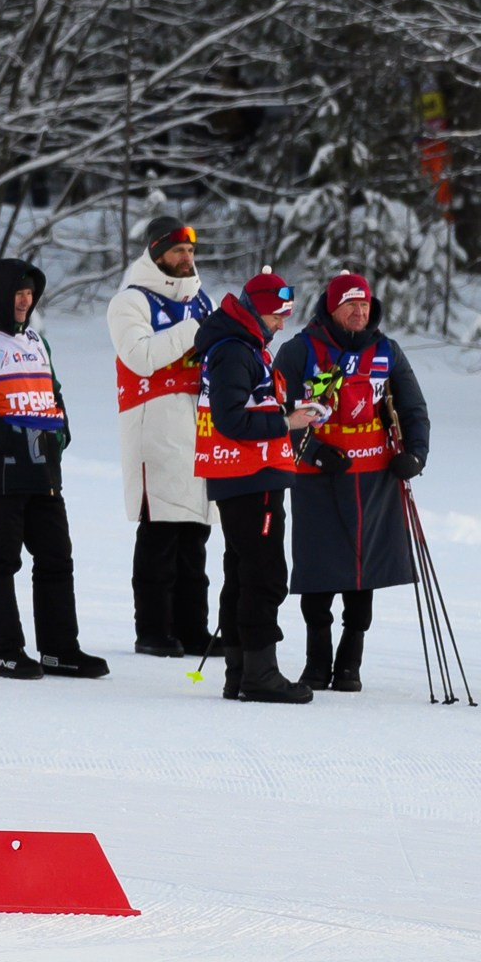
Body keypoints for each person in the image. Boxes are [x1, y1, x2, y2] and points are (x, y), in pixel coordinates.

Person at [0, 258, 109, 681]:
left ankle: (59, 649)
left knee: (56, 557)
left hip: (42, 470)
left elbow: (54, 393)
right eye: (18, 293)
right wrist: (10, 440)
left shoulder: (37, 342)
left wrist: (61, 434)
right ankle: (5, 650)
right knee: (1, 559)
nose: (25, 301)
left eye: (30, 294)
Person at [274, 270, 430, 691]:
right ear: (332, 307)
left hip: (374, 478)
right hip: (317, 475)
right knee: (319, 569)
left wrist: (415, 454)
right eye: (350, 305)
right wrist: (312, 451)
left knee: (365, 570)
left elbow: (414, 407)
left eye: (364, 304)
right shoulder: (300, 350)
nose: (359, 311)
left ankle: (350, 663)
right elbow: (274, 409)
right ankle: (315, 662)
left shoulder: (386, 350)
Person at [193, 269, 322, 704]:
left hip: (247, 475)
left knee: (243, 572)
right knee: (263, 575)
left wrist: (292, 409)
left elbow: (249, 404)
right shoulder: (234, 351)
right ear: (257, 312)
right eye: (278, 316)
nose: (282, 324)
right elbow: (232, 420)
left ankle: (239, 672)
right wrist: (287, 422)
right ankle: (259, 674)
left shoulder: (243, 347)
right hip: (249, 476)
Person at [108, 214, 216, 657]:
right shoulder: (130, 301)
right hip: (154, 421)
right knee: (161, 534)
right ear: (157, 253)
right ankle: (152, 629)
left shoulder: (202, 299)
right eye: (177, 251)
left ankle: (192, 629)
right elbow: (140, 356)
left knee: (195, 534)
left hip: (200, 421)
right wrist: (195, 331)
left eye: (190, 251)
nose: (187, 259)